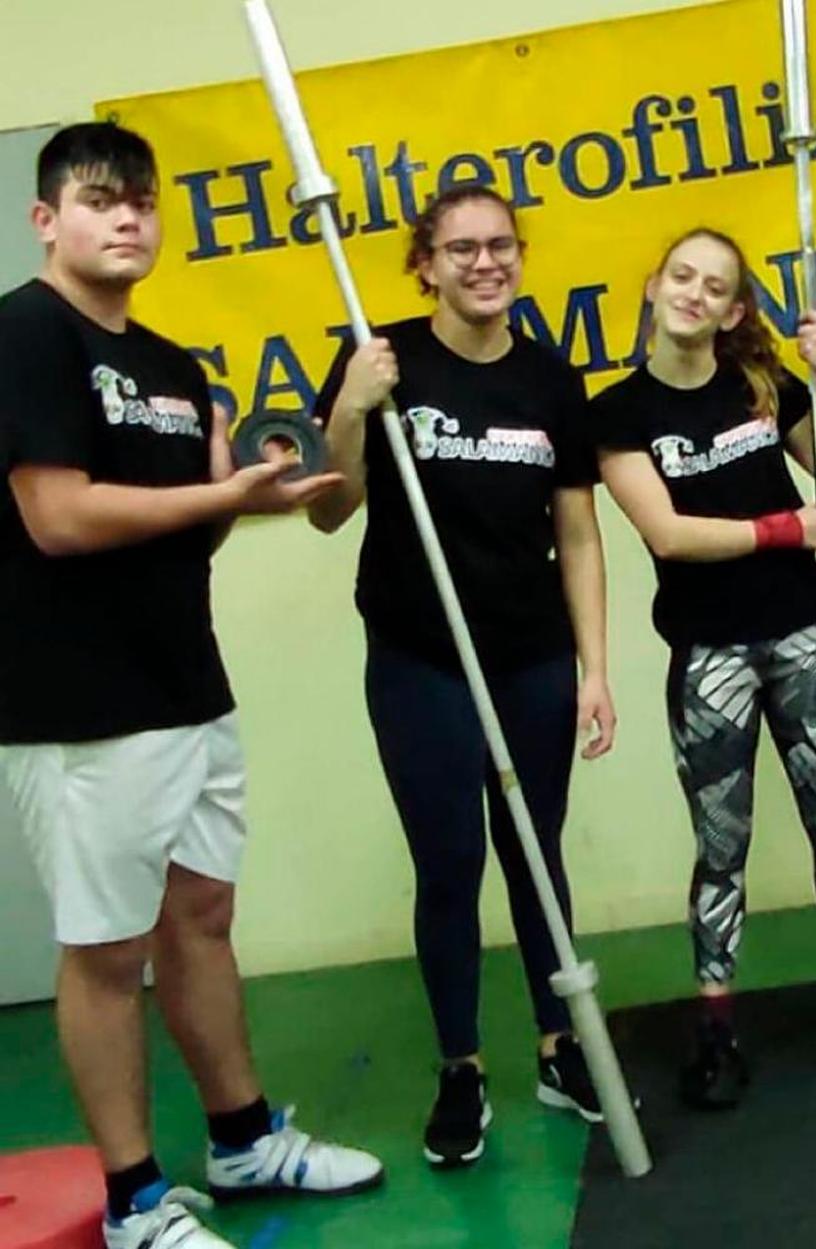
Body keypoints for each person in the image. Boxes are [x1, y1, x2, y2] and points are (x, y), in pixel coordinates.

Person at [0, 122, 383, 1249]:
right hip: (79, 706)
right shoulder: (26, 334)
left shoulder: (171, 367)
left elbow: (181, 543)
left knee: (202, 919)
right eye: (98, 199)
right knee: (108, 951)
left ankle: (245, 1137)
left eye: (142, 202)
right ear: (46, 219)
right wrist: (223, 499)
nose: (126, 218)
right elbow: (58, 518)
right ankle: (133, 1203)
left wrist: (241, 489)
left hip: (186, 689)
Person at [590, 227, 816, 1109]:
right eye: (682, 277)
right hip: (710, 657)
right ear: (653, 285)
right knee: (721, 848)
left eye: (716, 286)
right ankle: (713, 1028)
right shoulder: (618, 412)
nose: (695, 294)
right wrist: (782, 530)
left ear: (736, 309)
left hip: (802, 639)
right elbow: (666, 532)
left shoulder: (759, 386)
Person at [311, 184, 616, 1167]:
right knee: (449, 864)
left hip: (530, 654)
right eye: (462, 249)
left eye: (501, 246)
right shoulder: (381, 359)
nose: (486, 263)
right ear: (426, 263)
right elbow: (330, 509)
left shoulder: (548, 378)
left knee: (536, 851)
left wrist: (595, 667)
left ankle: (560, 1048)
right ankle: (460, 1066)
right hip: (420, 657)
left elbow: (577, 530)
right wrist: (352, 410)